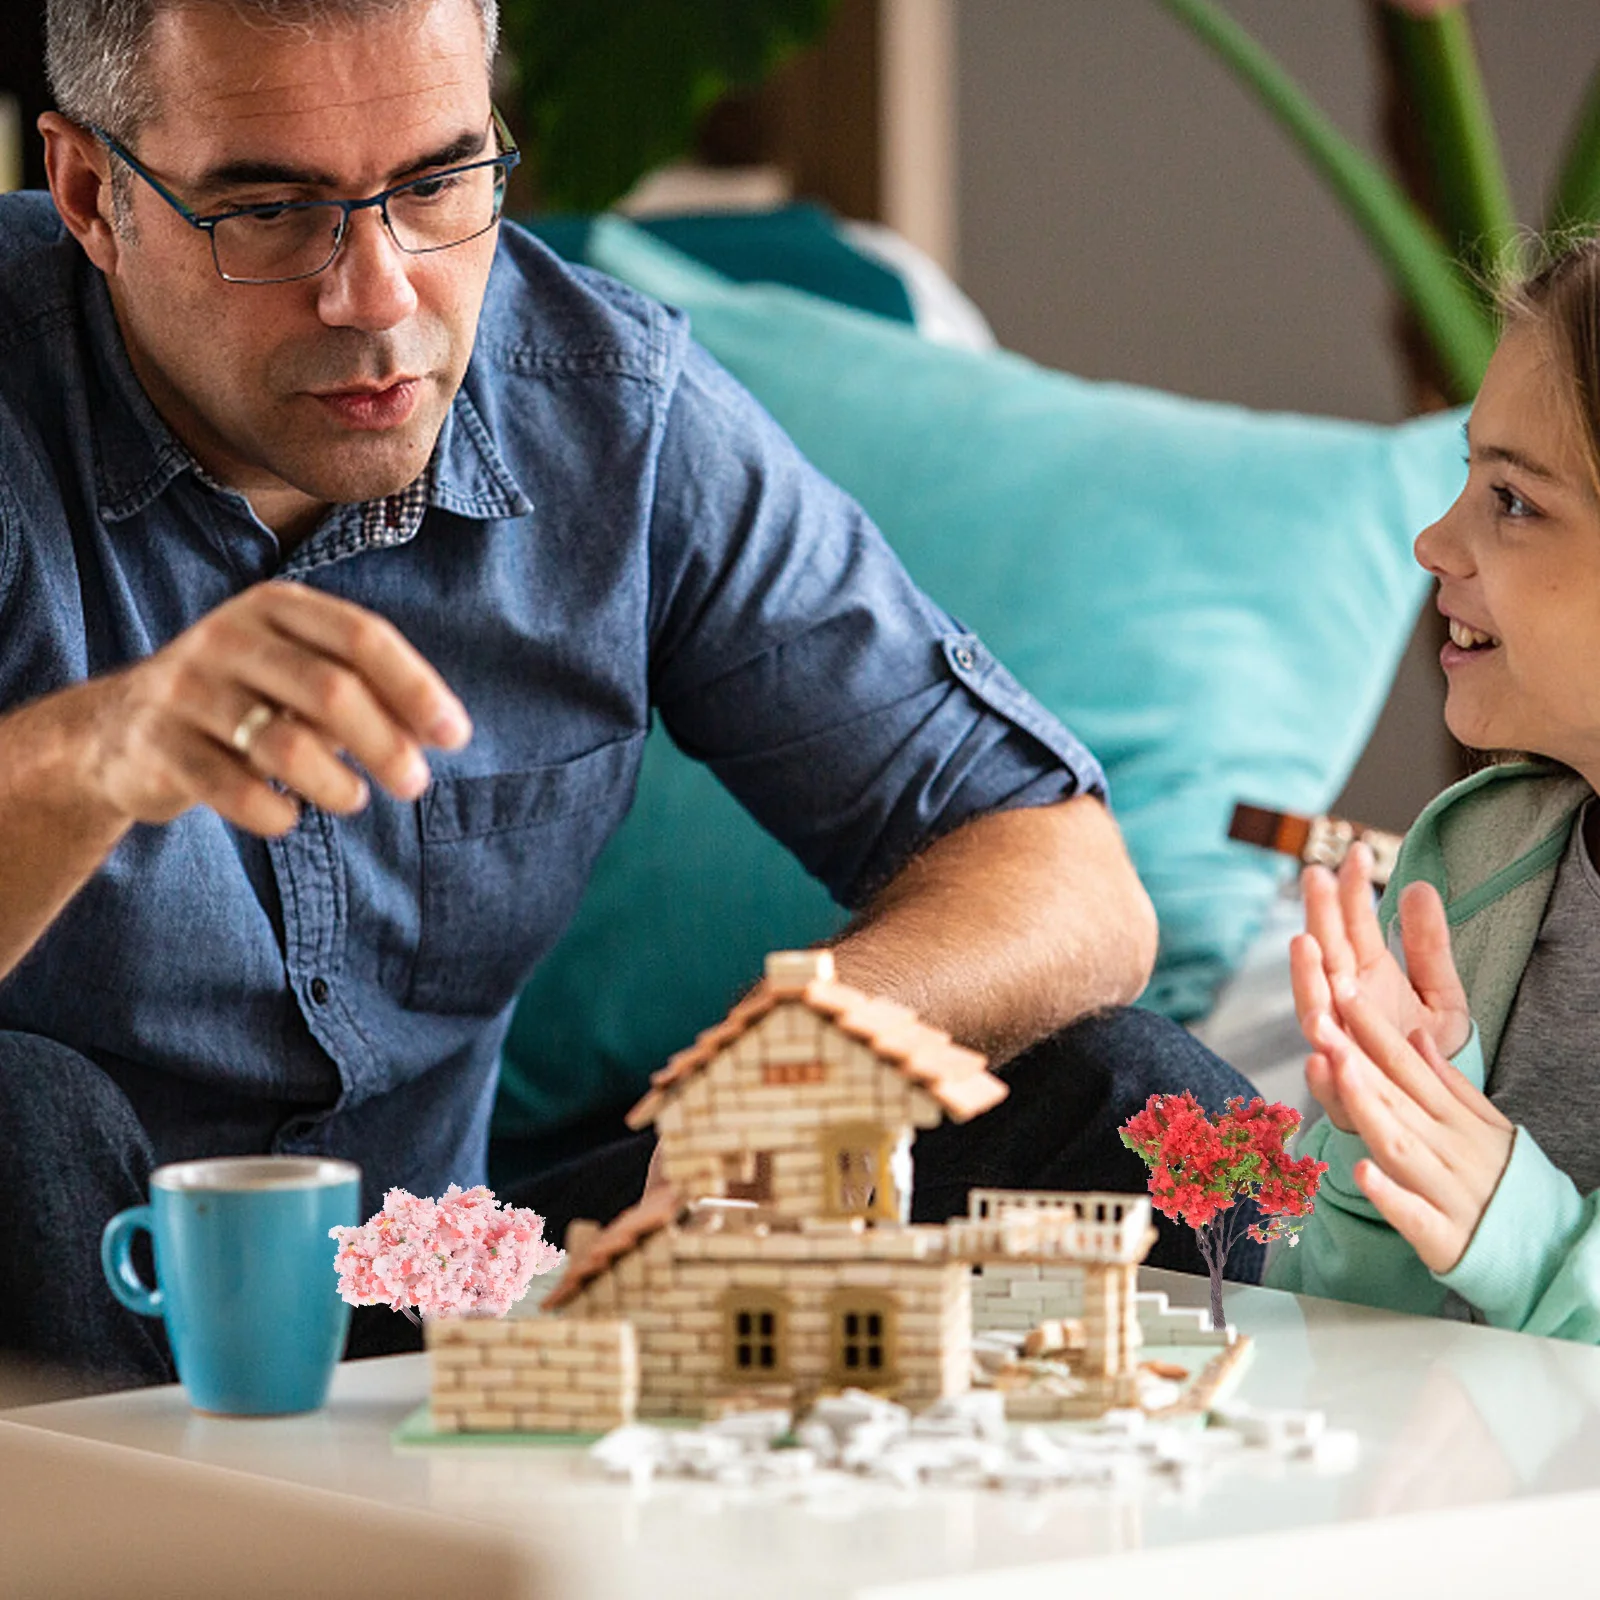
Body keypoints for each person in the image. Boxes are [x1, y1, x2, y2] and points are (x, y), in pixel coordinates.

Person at [0, 0, 1262, 1392]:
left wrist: (794, 1063)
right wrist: (87, 757)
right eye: (269, 212)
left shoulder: (610, 407)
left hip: (450, 1272)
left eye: (436, 183)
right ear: (90, 193)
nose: (378, 292)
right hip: (89, 1287)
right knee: (19, 1114)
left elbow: (1068, 879)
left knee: (1143, 1103)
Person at [1271, 232, 1600, 1341]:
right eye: (1468, 477)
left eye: (1511, 500)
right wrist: (1391, 1123)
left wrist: (1513, 1226)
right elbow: (1336, 1326)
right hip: (1435, 1476)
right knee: (1078, 1071)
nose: (1431, 542)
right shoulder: (1468, 857)